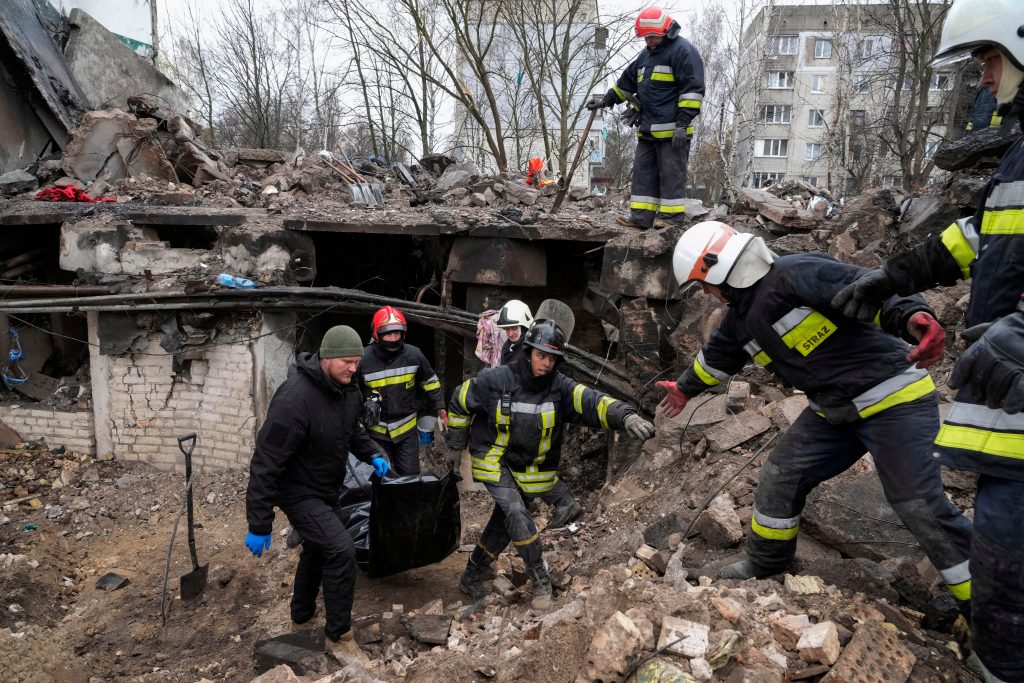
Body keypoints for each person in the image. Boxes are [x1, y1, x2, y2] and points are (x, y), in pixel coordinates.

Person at [830, 2, 1023, 677]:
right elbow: (977, 240)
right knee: (1002, 577)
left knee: (1010, 584)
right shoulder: (1020, 157)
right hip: (1008, 414)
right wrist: (893, 278)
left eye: (991, 61)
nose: (985, 79)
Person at [656, 222, 973, 613]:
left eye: (703, 283)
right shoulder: (740, 321)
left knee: (917, 504)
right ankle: (767, 564)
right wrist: (685, 388)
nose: (706, 293)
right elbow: (715, 361)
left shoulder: (797, 273)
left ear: (718, 269)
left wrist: (913, 316)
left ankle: (993, 613)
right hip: (834, 413)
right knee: (779, 477)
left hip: (894, 400)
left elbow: (870, 288)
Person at [447, 321, 656, 608]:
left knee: (504, 523)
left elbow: (594, 402)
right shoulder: (495, 380)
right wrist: (456, 446)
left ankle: (471, 574)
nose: (545, 363)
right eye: (540, 356)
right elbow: (459, 399)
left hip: (527, 468)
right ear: (529, 352)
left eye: (552, 358)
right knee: (517, 514)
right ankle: (540, 580)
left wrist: (626, 416)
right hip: (492, 458)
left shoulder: (561, 388)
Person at [244, 325, 391, 661]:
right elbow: (266, 461)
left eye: (357, 362)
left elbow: (351, 430)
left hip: (326, 487)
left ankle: (301, 614)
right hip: (297, 491)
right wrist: (259, 522)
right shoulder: (294, 398)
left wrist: (373, 453)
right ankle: (338, 636)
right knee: (341, 551)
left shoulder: (347, 389)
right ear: (327, 358)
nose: (354, 368)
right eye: (348, 362)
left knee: (318, 548)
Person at [586, 7, 705, 230]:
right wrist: (605, 101)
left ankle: (670, 220)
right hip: (648, 130)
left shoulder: (683, 52)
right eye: (645, 38)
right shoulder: (646, 56)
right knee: (643, 175)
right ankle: (641, 218)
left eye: (651, 37)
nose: (648, 42)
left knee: (671, 177)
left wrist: (682, 124)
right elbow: (626, 83)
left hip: (673, 132)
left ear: (664, 31)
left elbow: (693, 91)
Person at [360, 306, 447, 476]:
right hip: (376, 433)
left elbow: (431, 382)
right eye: (387, 333)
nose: (393, 338)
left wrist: (441, 409)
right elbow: (351, 392)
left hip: (406, 431)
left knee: (411, 477)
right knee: (381, 478)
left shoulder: (414, 355)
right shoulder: (362, 359)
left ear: (403, 333)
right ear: (377, 334)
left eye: (397, 333)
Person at [496, 299, 534, 365]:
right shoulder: (507, 347)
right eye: (507, 329)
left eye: (514, 328)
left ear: (523, 327)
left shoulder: (532, 348)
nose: (510, 334)